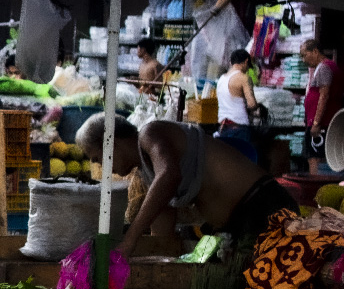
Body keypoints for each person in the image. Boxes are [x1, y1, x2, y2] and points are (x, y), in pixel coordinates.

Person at [75, 114, 298, 258]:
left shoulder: (150, 134)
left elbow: (169, 175)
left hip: (263, 207)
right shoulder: (147, 172)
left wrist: (131, 237)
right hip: (240, 225)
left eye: (98, 158)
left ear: (111, 142)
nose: (101, 166)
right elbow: (162, 237)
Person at [301, 39, 344, 174]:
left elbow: (324, 96)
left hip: (322, 123)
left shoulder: (325, 67)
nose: (303, 60)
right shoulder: (323, 67)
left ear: (315, 51)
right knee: (319, 158)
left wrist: (316, 122)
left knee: (315, 158)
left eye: (304, 55)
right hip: (323, 122)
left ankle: (316, 189)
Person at [216, 48, 258, 143]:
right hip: (239, 127)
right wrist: (257, 107)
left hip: (223, 127)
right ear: (246, 61)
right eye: (248, 66)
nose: (247, 69)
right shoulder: (243, 78)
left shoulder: (221, 79)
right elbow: (251, 104)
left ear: (231, 62)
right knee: (242, 156)